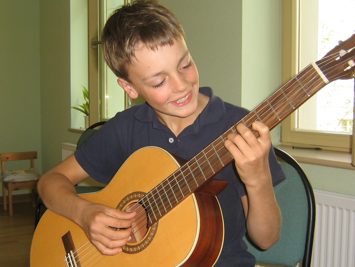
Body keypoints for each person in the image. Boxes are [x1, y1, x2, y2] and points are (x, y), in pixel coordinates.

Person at [38, 0, 286, 266]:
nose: (181, 85)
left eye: (185, 65)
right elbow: (50, 181)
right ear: (129, 87)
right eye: (159, 81)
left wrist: (258, 179)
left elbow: (266, 239)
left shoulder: (239, 128)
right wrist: (84, 213)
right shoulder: (127, 127)